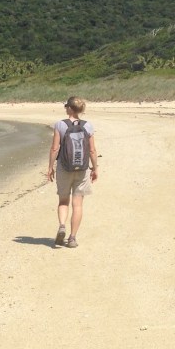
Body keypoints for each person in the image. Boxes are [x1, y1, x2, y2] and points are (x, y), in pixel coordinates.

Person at [47, 97, 98, 248]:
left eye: (66, 106)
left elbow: (55, 148)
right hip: (82, 169)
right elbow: (92, 150)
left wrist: (50, 167)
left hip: (64, 167)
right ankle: (72, 238)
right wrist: (95, 168)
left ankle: (62, 225)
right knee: (78, 204)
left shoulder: (60, 125)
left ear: (69, 108)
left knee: (63, 201)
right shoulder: (88, 126)